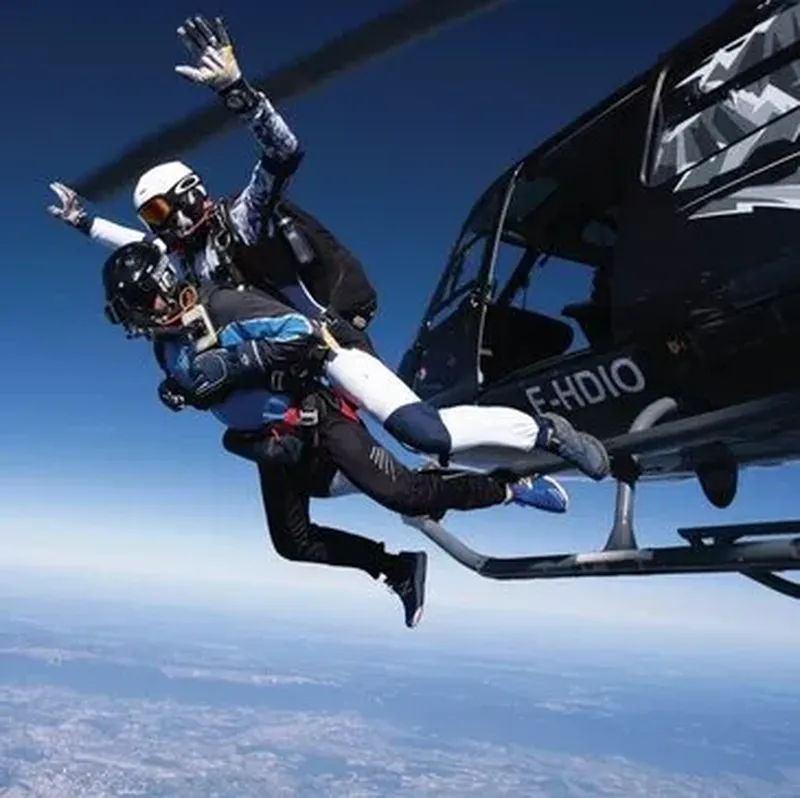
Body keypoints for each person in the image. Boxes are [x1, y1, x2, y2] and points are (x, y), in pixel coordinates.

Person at [47, 12, 611, 483]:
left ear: (192, 195)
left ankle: (546, 432)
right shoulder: (184, 258)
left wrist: (238, 94)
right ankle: (503, 482)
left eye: (164, 210)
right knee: (335, 470)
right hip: (292, 366)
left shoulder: (241, 219)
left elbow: (283, 155)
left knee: (422, 432)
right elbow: (137, 252)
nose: (161, 225)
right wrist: (83, 223)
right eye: (153, 217)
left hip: (329, 341)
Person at [102, 240, 570, 628]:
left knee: (405, 494)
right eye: (129, 313)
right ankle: (396, 568)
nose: (138, 320)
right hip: (273, 445)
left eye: (139, 306)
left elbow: (305, 334)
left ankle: (511, 486)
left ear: (163, 285)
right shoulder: (165, 346)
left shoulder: (223, 306)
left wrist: (237, 361)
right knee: (293, 541)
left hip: (314, 418)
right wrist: (186, 391)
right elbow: (207, 384)